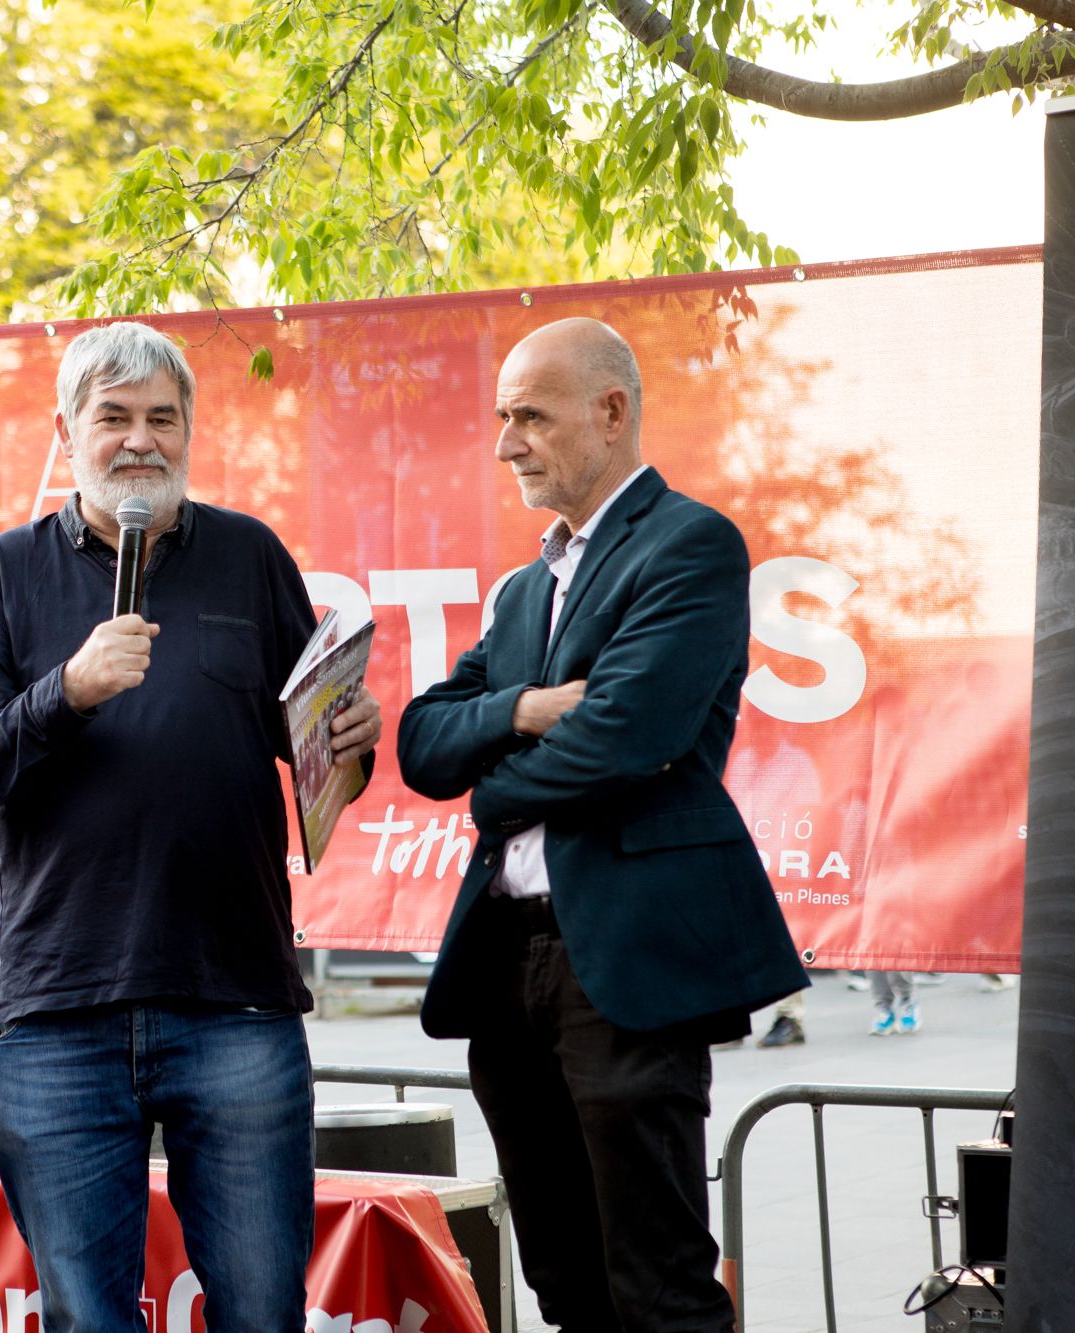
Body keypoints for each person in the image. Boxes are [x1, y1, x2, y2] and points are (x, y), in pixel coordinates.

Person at [0, 320, 381, 1331]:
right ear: (65, 430)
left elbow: (317, 757)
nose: (140, 440)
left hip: (236, 1004)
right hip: (59, 1014)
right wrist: (66, 691)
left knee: (262, 1312)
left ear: (187, 430)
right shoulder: (5, 574)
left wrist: (349, 736)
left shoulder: (249, 556)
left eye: (160, 419)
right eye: (114, 417)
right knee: (89, 1319)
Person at [395, 318, 807, 1332]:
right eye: (500, 418)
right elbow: (419, 742)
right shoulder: (522, 587)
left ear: (610, 411)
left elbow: (627, 736)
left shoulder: (688, 543)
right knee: (563, 1283)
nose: (505, 443)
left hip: (624, 962)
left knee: (656, 1287)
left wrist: (491, 790)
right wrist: (525, 709)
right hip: (507, 965)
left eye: (528, 416)